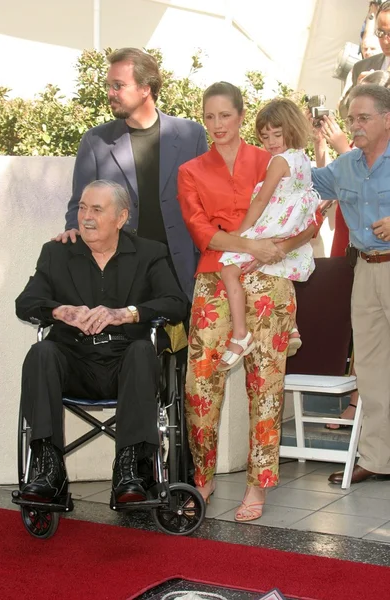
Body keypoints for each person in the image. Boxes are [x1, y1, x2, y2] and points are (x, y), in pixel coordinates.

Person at [177, 82, 323, 522]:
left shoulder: (275, 157)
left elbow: (313, 218)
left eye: (225, 115)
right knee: (199, 382)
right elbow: (201, 230)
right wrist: (249, 245)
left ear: (242, 116)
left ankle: (257, 485)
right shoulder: (190, 170)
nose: (217, 125)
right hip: (215, 279)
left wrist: (278, 247)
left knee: (266, 386)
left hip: (273, 280)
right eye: (209, 117)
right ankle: (203, 476)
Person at [16, 180, 188, 504]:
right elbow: (25, 302)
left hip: (127, 367)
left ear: (121, 217)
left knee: (142, 350)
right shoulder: (56, 252)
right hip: (73, 365)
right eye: (82, 208)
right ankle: (48, 470)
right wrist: (59, 310)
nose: (86, 217)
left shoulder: (150, 253)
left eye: (97, 209)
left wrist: (129, 313)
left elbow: (176, 303)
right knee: (41, 352)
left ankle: (131, 470)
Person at [58, 47, 208, 302]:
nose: (110, 93)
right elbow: (78, 206)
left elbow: (205, 202)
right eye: (109, 85)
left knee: (182, 343)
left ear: (145, 88)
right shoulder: (96, 141)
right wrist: (74, 229)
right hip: (121, 275)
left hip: (181, 270)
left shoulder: (190, 135)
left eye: (118, 86)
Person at [311, 84, 390, 484]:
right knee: (373, 371)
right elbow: (302, 183)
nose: (354, 127)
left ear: (388, 118)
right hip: (364, 270)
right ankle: (378, 460)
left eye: (363, 118)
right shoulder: (346, 166)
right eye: (350, 120)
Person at [217, 99, 319, 371]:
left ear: (292, 128)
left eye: (277, 133)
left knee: (229, 271)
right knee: (281, 270)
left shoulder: (279, 161)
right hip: (292, 226)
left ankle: (240, 335)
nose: (272, 141)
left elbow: (261, 200)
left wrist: (242, 232)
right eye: (265, 136)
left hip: (273, 225)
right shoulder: (302, 158)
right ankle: (293, 328)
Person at [341, 1, 390, 114]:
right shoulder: (362, 67)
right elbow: (343, 113)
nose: (385, 40)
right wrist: (358, 92)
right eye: (381, 33)